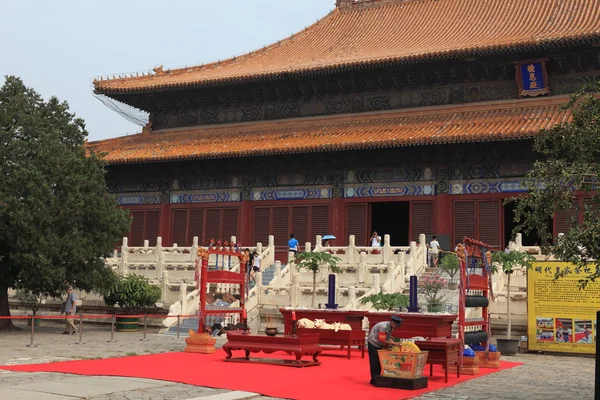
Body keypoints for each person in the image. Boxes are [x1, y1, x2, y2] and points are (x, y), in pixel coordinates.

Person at [367, 315, 402, 384]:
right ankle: (374, 379)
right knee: (375, 362)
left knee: (380, 361)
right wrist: (394, 344)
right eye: (395, 325)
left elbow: (388, 338)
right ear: (391, 322)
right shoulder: (384, 326)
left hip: (379, 344)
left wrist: (394, 343)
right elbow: (382, 340)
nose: (396, 327)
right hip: (373, 343)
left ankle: (377, 377)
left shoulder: (390, 327)